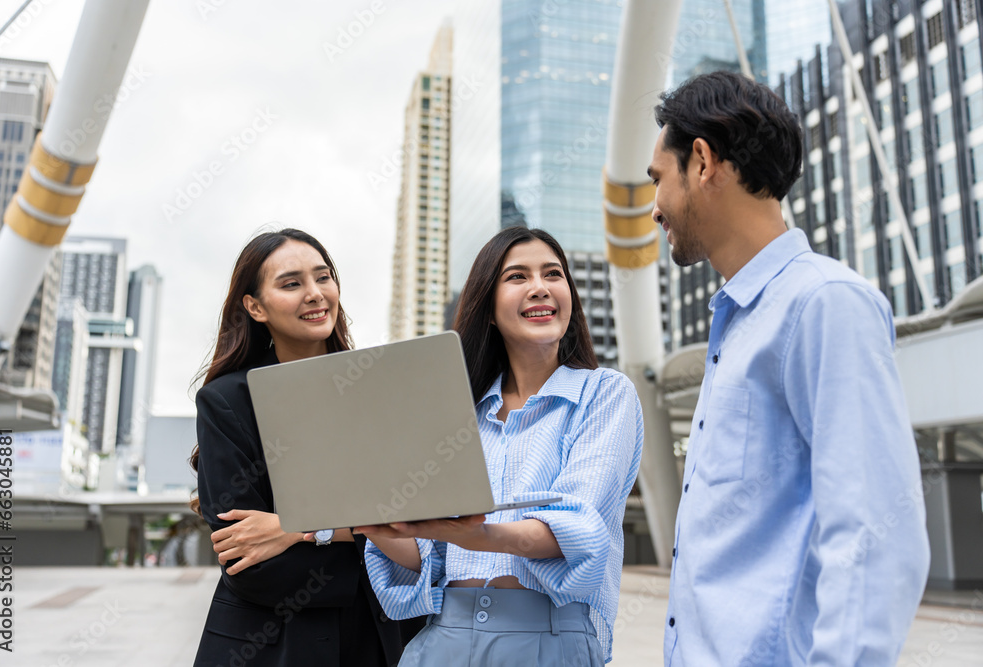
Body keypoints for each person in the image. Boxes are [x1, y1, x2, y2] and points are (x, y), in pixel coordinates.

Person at [647, 71, 930, 666]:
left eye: (658, 180)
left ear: (702, 161)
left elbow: (877, 541)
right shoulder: (735, 327)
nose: (654, 208)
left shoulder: (824, 304)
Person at [352, 227, 643, 666]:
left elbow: (577, 528)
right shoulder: (454, 413)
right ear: (488, 307)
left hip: (548, 640)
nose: (540, 288)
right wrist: (372, 520)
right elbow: (429, 559)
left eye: (553, 274)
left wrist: (478, 534)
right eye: (518, 277)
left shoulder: (605, 395)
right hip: (442, 640)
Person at [190, 228, 415, 666]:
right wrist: (373, 536)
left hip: (383, 640)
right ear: (255, 306)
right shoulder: (228, 402)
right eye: (292, 283)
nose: (315, 294)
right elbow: (248, 563)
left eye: (323, 277)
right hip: (272, 647)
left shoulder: (381, 389)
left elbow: (426, 521)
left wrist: (291, 528)